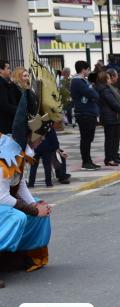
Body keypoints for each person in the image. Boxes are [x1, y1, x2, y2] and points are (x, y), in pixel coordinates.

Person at [0, 89, 53, 287]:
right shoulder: (5, 155)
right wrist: (31, 209)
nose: (43, 141)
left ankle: (14, 258)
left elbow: (18, 183)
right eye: (40, 136)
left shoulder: (18, 151)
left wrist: (36, 205)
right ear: (30, 135)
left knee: (40, 211)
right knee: (17, 216)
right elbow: (2, 197)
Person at [71, 60, 100, 170]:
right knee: (86, 139)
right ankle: (86, 162)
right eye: (88, 69)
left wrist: (92, 91)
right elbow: (92, 93)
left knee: (88, 138)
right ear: (83, 69)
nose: (89, 71)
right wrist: (92, 91)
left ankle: (89, 161)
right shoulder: (78, 81)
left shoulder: (84, 81)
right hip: (84, 113)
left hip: (89, 112)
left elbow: (93, 93)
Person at [96, 71, 120, 166]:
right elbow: (112, 103)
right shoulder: (105, 90)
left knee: (115, 138)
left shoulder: (107, 89)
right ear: (104, 80)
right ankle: (109, 159)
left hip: (113, 117)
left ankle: (114, 157)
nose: (110, 80)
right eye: (108, 78)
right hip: (110, 117)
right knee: (110, 140)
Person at [0, 60, 18, 135]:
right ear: (1, 70)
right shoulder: (1, 85)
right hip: (5, 124)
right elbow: (4, 105)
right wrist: (19, 109)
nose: (10, 71)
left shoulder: (5, 83)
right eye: (8, 68)